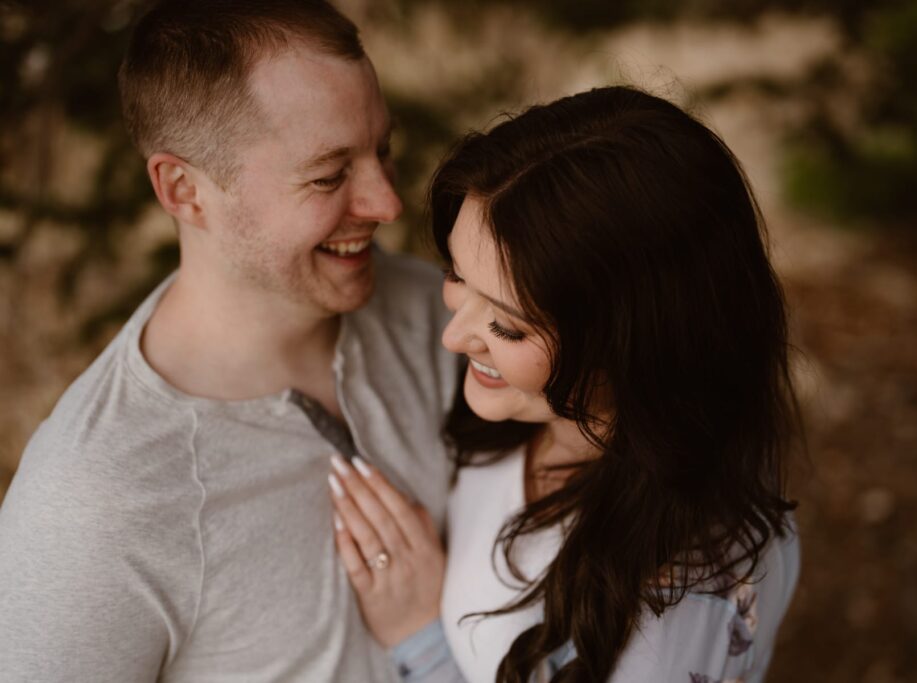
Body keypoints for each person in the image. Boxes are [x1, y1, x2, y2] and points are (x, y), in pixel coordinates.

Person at [0, 1, 457, 680]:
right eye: (330, 175)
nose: (387, 203)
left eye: (381, 150)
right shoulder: (94, 504)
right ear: (184, 190)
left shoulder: (442, 317)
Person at [327, 86, 802, 682]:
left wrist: (421, 639)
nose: (454, 335)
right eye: (456, 274)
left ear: (634, 345)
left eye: (506, 324)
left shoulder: (675, 608)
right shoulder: (533, 415)